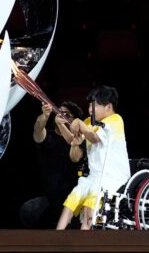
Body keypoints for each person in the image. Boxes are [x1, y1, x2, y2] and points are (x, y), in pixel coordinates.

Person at [56, 85, 130, 230]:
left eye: (95, 104)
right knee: (70, 203)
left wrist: (79, 124)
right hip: (94, 177)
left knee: (89, 212)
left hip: (112, 176)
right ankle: (56, 239)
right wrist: (62, 125)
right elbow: (73, 140)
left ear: (108, 107)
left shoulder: (115, 120)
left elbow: (94, 138)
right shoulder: (89, 122)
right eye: (90, 104)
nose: (90, 108)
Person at [19, 100, 84, 228]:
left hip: (74, 200)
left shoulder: (80, 141)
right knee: (29, 210)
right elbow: (38, 129)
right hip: (51, 199)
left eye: (67, 114)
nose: (61, 115)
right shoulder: (48, 136)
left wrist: (63, 127)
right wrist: (45, 116)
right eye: (59, 112)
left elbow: (76, 155)